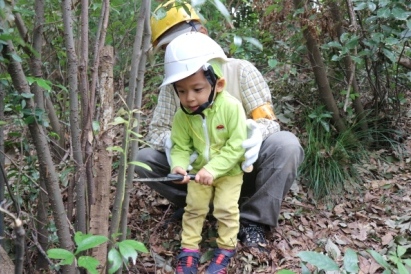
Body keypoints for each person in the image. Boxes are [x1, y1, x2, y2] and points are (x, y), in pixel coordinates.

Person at [135, 0, 304, 251]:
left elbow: (269, 121)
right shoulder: (174, 88)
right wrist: (172, 145)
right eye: (168, 48)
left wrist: (254, 132)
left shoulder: (241, 71)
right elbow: (156, 131)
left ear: (202, 34)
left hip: (242, 167)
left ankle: (253, 219)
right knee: (144, 158)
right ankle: (200, 207)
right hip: (198, 172)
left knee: (287, 145)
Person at [164, 32, 247, 274]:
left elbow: (237, 145)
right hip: (198, 172)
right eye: (181, 91)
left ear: (218, 84)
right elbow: (179, 146)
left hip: (229, 173)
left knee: (225, 208)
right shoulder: (183, 115)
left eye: (197, 89)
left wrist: (214, 169)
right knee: (194, 208)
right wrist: (178, 166)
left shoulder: (231, 108)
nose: (189, 98)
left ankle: (225, 248)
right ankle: (189, 249)